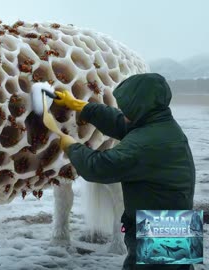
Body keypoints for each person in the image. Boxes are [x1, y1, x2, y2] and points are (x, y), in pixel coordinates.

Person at [42, 73, 195, 270]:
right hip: (172, 220)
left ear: (139, 107)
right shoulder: (160, 124)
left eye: (127, 107)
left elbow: (99, 167)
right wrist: (81, 107)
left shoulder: (143, 144)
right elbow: (120, 122)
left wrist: (71, 147)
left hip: (158, 228)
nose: (123, 112)